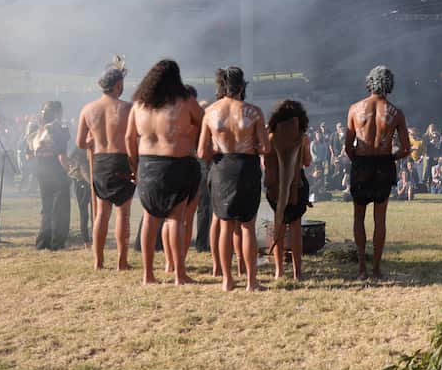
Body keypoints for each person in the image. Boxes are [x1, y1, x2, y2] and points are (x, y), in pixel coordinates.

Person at [126, 59, 204, 286]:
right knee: (175, 219)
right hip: (176, 164)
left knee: (150, 218)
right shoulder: (184, 101)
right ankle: (179, 274)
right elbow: (204, 120)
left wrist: (134, 165)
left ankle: (147, 275)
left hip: (147, 164)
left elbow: (128, 137)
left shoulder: (138, 104)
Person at [199, 66, 270, 292]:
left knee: (225, 225)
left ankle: (227, 281)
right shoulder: (254, 111)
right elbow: (265, 147)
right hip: (246, 168)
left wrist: (219, 148)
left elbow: (201, 152)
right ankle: (251, 282)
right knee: (247, 227)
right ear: (242, 86)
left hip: (222, 168)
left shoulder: (210, 112)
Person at [345, 65, 412, 280]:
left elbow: (348, 146)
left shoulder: (355, 109)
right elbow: (405, 149)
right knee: (379, 219)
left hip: (362, 163)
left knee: (359, 217)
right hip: (384, 165)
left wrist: (357, 159)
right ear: (389, 84)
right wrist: (389, 158)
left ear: (369, 83)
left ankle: (361, 268)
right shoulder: (396, 113)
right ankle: (376, 269)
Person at [76, 57, 135, 270]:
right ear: (118, 85)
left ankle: (98, 261)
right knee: (123, 213)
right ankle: (121, 261)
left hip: (100, 161)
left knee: (101, 213)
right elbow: (133, 138)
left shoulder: (88, 109)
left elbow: (81, 142)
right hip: (120, 160)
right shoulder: (128, 108)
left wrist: (93, 140)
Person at [264, 99, 312, 281]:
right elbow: (307, 161)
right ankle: (297, 272)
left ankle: (278, 271)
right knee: (296, 228)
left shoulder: (270, 137)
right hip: (297, 185)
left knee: (279, 226)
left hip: (276, 188)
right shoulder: (302, 138)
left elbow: (266, 162)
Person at [30, 101, 73, 251]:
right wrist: (69, 171)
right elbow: (61, 155)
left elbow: (30, 151)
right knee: (60, 208)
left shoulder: (40, 129)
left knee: (47, 207)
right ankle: (57, 242)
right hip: (55, 169)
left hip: (42, 168)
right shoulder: (57, 128)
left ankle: (43, 242)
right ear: (57, 112)